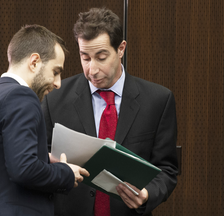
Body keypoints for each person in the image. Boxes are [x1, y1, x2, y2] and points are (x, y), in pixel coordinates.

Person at [42, 8, 178, 216]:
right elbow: (40, 159)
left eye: (101, 57)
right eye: (85, 58)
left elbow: (167, 170)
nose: (92, 69)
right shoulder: (55, 99)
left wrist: (147, 194)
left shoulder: (158, 100)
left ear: (121, 49)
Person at [0, 24, 89, 216]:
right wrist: (65, 173)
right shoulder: (22, 97)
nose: (58, 83)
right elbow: (24, 168)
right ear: (34, 62)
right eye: (56, 71)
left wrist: (42, 159)